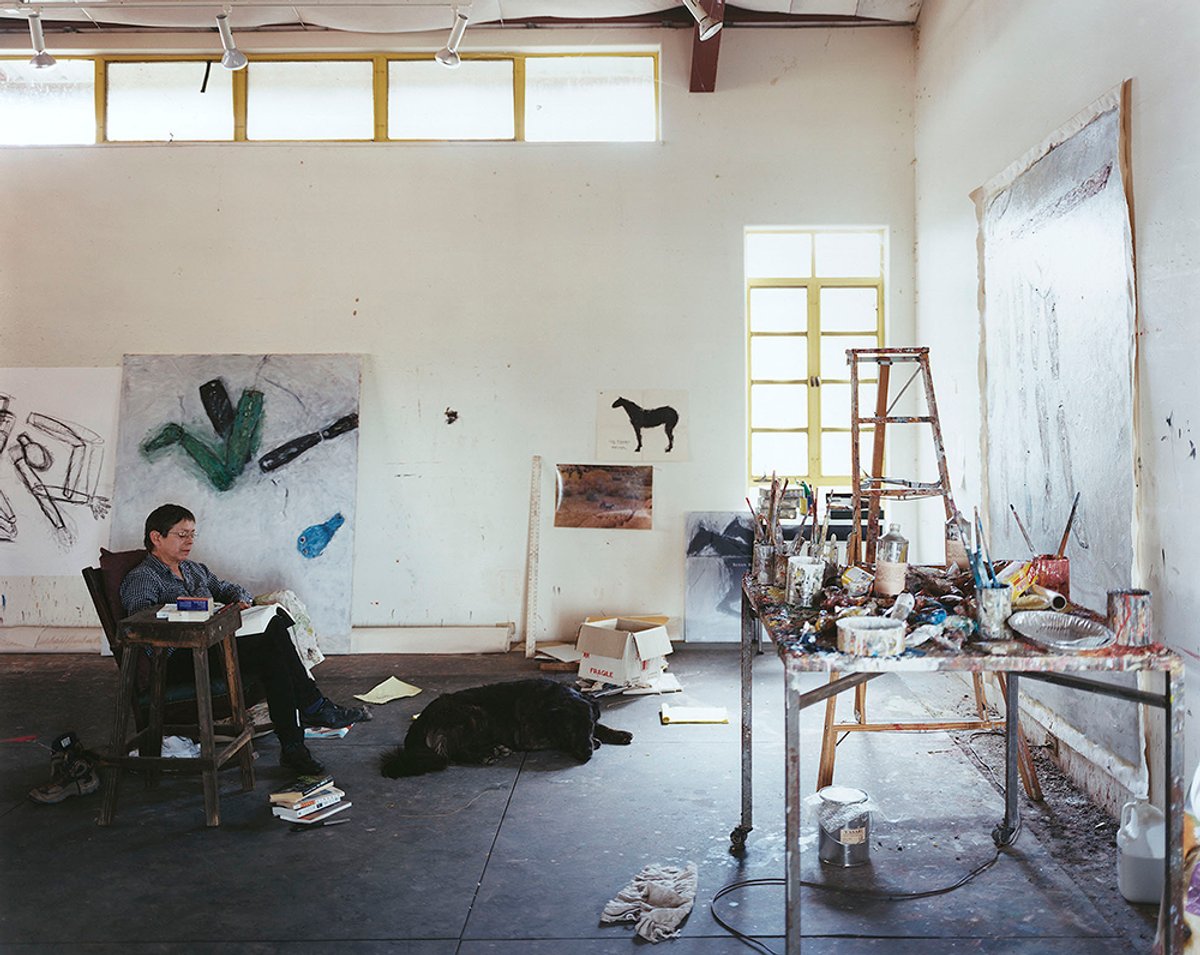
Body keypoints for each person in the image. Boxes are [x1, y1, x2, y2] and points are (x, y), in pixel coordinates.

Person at [120, 503, 369, 776]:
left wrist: (240, 601)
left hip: (212, 647)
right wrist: (189, 616)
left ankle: (297, 741)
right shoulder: (142, 578)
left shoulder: (193, 569)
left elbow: (229, 588)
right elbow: (143, 629)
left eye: (192, 534)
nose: (189, 541)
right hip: (178, 659)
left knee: (273, 634)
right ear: (156, 537)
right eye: (182, 535)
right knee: (271, 647)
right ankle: (309, 714)